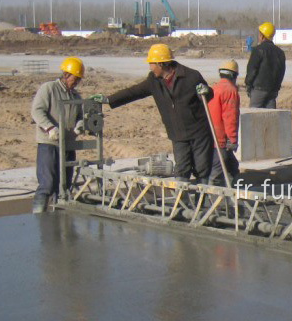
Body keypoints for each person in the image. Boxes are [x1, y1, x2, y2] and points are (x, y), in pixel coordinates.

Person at [92, 44, 214, 182]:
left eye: (151, 63)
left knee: (202, 169)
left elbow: (207, 95)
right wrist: (108, 99)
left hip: (199, 132)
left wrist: (206, 90)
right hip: (178, 134)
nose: (150, 67)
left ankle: (202, 201)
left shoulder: (191, 76)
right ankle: (183, 201)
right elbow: (134, 92)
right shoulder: (154, 81)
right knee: (181, 170)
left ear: (161, 64)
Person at [30, 56, 86, 213]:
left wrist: (80, 125)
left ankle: (59, 222)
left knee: (64, 186)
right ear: (66, 74)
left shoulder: (76, 97)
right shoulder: (49, 89)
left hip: (67, 145)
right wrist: (49, 128)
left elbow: (80, 116)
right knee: (47, 184)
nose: (76, 83)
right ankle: (39, 217)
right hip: (50, 144)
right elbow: (37, 111)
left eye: (79, 80)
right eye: (75, 79)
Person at [207, 60, 241, 185]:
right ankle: (209, 200)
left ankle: (234, 196)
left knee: (232, 166)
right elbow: (230, 117)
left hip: (211, 136)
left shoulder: (214, 88)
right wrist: (232, 139)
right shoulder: (230, 91)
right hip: (220, 139)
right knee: (217, 171)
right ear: (234, 75)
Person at [245, 21, 286, 108]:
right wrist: (276, 88)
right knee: (271, 117)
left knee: (254, 117)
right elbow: (281, 72)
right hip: (272, 90)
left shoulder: (258, 50)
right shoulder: (280, 52)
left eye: (259, 34)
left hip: (258, 90)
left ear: (262, 36)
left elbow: (252, 69)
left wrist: (248, 84)